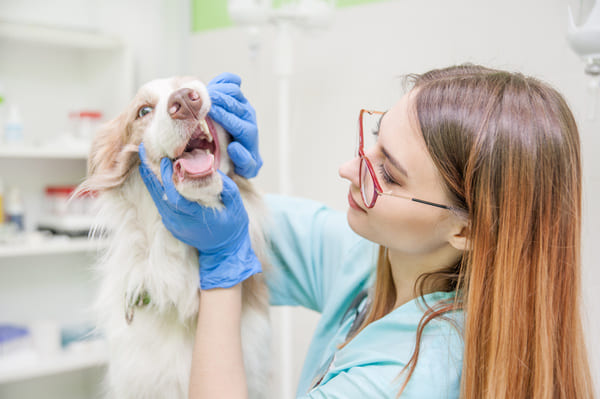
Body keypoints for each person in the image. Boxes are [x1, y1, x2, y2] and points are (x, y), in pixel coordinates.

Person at [138, 64, 594, 398]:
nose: (347, 169)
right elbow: (240, 228)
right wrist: (220, 170)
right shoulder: (385, 263)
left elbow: (228, 245)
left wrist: (223, 266)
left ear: (465, 229)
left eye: (389, 176)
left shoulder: (403, 382)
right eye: (373, 138)